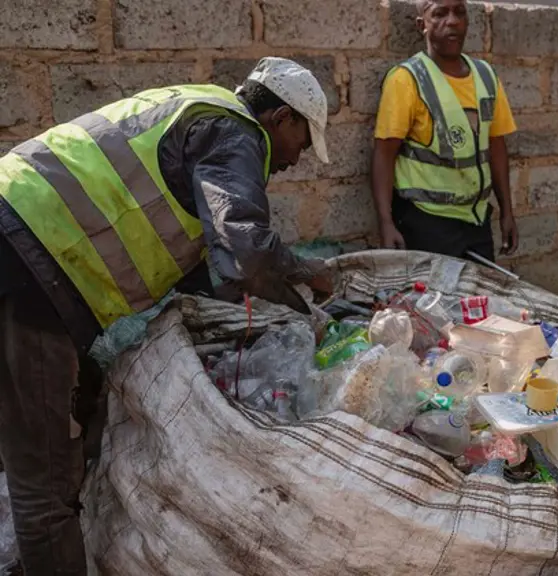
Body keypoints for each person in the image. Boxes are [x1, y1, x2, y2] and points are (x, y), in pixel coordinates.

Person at [0, 56, 335, 575]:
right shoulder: (236, 133)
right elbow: (246, 252)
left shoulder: (198, 110)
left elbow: (204, 267)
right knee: (46, 475)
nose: (296, 160)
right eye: (302, 143)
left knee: (80, 406)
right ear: (282, 118)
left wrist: (281, 315)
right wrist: (309, 276)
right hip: (27, 261)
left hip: (24, 241)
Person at [371, 0, 518, 261]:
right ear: (422, 25)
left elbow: (496, 147)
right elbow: (384, 153)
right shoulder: (407, 79)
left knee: (478, 288)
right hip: (426, 223)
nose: (452, 21)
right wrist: (385, 222)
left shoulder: (486, 76)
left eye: (460, 12)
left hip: (476, 220)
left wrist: (507, 212)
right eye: (440, 14)